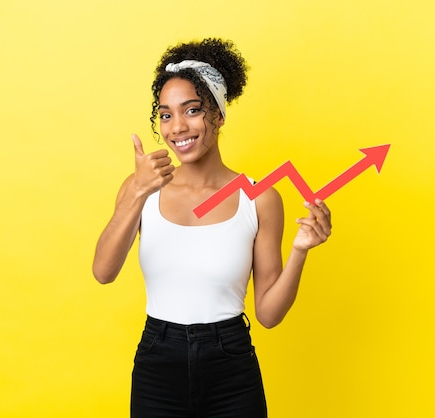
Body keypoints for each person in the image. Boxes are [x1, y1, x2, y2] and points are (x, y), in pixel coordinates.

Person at [92, 38, 332, 418]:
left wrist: (300, 251)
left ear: (218, 115)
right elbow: (103, 272)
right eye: (166, 114)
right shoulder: (142, 188)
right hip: (159, 361)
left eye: (192, 110)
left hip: (230, 365)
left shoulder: (260, 198)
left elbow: (268, 315)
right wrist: (137, 190)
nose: (177, 127)